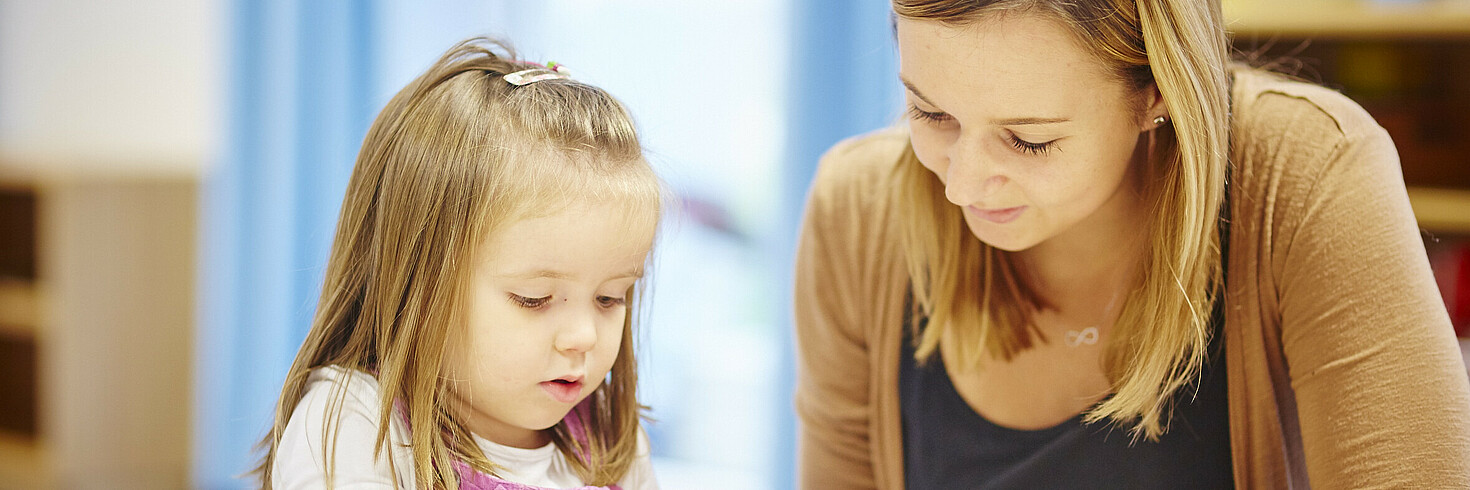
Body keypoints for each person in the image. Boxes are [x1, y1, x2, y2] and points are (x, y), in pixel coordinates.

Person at [793, 0, 1470, 488]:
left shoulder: (1307, 174)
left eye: (1030, 138)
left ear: (1156, 90)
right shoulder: (860, 210)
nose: (962, 184)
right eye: (930, 112)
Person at [255, 37, 662, 489]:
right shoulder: (356, 425)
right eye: (535, 299)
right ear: (417, 285)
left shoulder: (612, 440)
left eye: (609, 298)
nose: (584, 336)